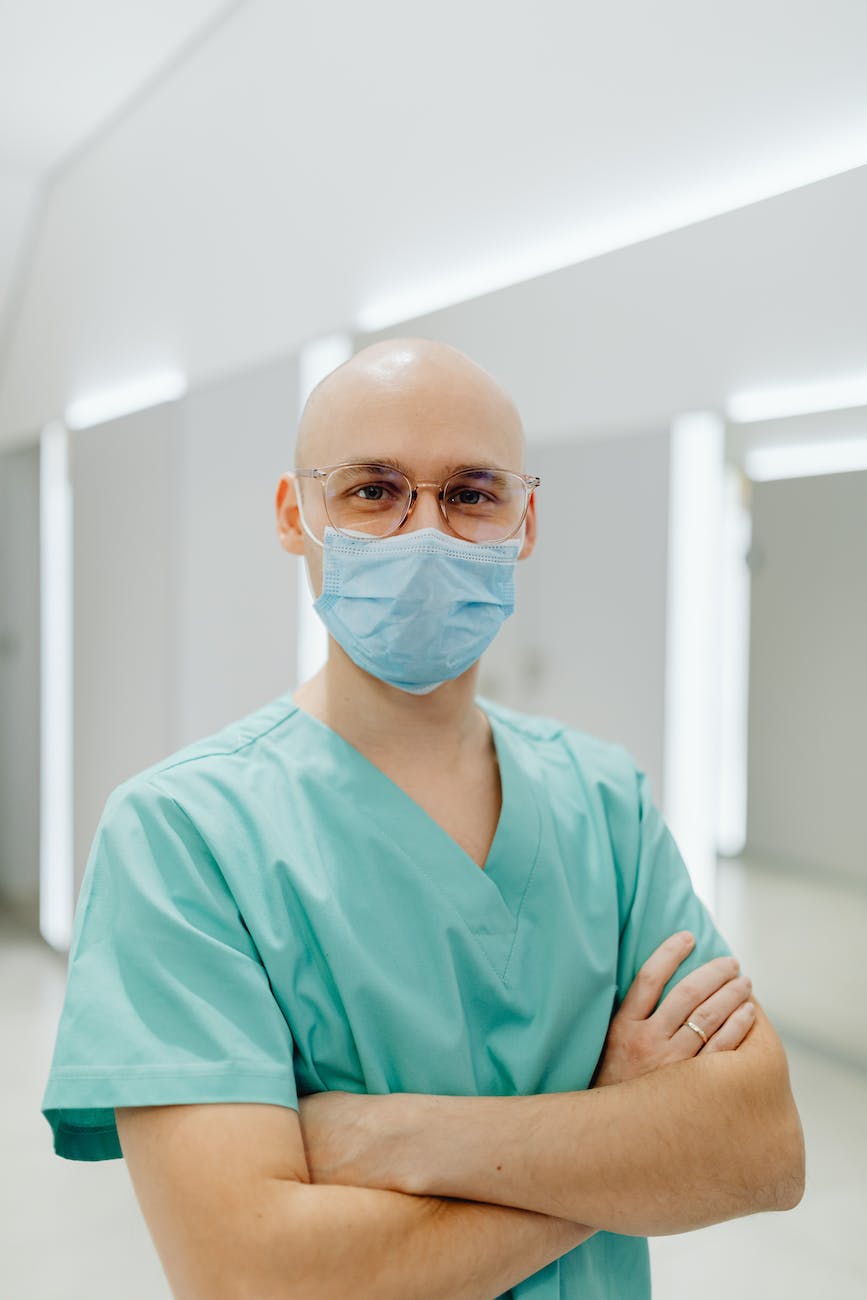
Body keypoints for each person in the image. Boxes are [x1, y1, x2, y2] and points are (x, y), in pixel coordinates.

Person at [41, 336, 805, 1300]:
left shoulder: (605, 801)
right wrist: (616, 1139)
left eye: (472, 494)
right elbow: (255, 1276)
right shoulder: (182, 836)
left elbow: (760, 1149)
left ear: (525, 523)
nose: (425, 535)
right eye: (373, 490)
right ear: (295, 515)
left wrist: (387, 1136)